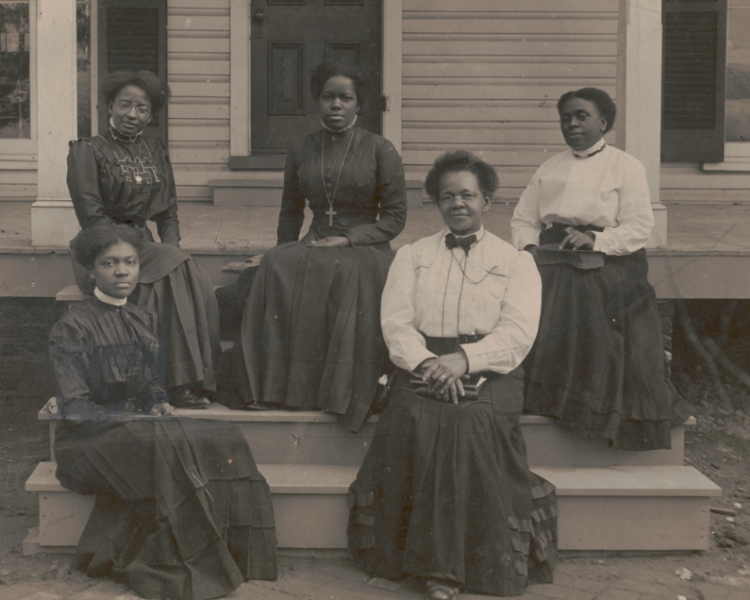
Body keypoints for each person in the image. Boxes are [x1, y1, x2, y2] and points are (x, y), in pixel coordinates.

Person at [348, 151, 557, 600]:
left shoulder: (516, 261)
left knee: (467, 424)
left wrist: (464, 360)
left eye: (467, 194)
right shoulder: (411, 256)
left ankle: (451, 571)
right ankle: (414, 561)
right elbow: (396, 324)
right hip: (422, 364)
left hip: (491, 368)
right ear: (436, 204)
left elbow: (519, 333)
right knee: (415, 417)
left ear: (488, 200)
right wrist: (427, 364)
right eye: (447, 196)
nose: (457, 203)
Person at [47, 225, 277, 600]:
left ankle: (240, 557)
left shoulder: (143, 319)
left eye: (130, 262)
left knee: (225, 436)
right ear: (91, 271)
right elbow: (76, 408)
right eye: (110, 263)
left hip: (136, 431)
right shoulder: (72, 326)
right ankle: (190, 565)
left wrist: (157, 401)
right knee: (167, 443)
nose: (122, 271)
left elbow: (151, 383)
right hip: (86, 443)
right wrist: (137, 415)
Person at [511, 87, 692, 451]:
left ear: (603, 123)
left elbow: (640, 226)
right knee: (528, 289)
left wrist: (597, 240)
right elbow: (523, 218)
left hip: (611, 257)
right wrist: (529, 248)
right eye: (566, 118)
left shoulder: (625, 166)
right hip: (553, 252)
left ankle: (588, 405)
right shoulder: (549, 167)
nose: (573, 124)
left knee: (583, 290)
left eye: (582, 116)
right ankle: (543, 398)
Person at [232, 62, 407, 431]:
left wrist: (349, 238)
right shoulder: (302, 148)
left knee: (347, 273)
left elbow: (394, 219)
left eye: (346, 98)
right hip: (316, 238)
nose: (336, 105)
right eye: (328, 97)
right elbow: (290, 210)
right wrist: (280, 250)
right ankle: (274, 387)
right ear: (318, 101)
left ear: (360, 104)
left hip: (366, 246)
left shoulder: (380, 149)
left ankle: (338, 392)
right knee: (277, 266)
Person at [67, 70, 219, 409]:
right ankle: (176, 383)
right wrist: (154, 254)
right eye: (125, 105)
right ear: (110, 106)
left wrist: (172, 248)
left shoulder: (154, 150)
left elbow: (169, 213)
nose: (132, 115)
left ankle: (179, 380)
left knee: (182, 268)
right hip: (99, 249)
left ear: (151, 115)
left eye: (142, 109)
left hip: (145, 246)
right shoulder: (87, 150)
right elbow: (91, 217)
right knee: (169, 270)